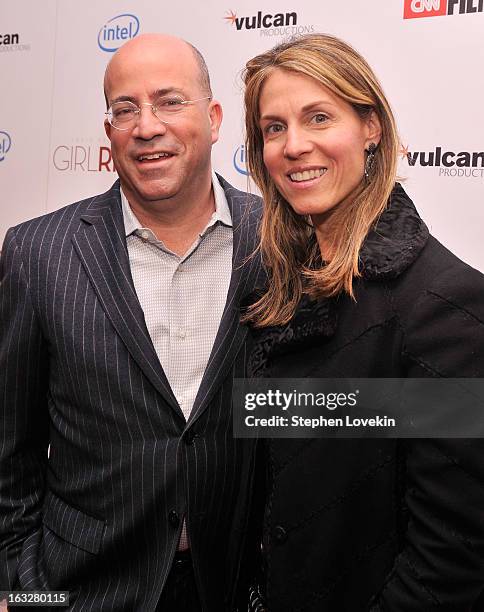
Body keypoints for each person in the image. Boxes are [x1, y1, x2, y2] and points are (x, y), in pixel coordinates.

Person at [0, 33, 262, 611]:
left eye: (170, 101)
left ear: (214, 119)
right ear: (110, 131)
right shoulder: (38, 252)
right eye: (125, 109)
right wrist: (20, 592)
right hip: (80, 590)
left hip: (234, 586)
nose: (146, 126)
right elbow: (10, 449)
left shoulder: (279, 241)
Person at [242, 34, 484, 611]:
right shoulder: (277, 288)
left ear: (370, 127)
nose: (294, 146)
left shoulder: (443, 306)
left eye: (318, 117)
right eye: (274, 128)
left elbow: (451, 560)